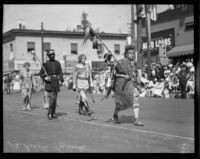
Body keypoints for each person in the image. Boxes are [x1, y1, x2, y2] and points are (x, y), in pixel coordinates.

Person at [112, 44, 143, 126]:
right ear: (126, 54)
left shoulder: (135, 64)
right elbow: (116, 74)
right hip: (123, 86)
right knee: (121, 104)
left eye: (133, 53)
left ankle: (136, 119)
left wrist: (138, 82)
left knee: (136, 101)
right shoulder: (121, 62)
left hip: (133, 85)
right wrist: (122, 75)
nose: (132, 55)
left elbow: (136, 75)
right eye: (130, 53)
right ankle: (115, 114)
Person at [40, 49, 64, 120]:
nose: (52, 55)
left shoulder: (57, 63)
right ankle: (49, 113)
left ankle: (53, 113)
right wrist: (45, 77)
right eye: (51, 55)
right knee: (52, 98)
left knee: (55, 99)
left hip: (56, 82)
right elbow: (41, 73)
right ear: (48, 56)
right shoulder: (45, 64)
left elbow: (60, 72)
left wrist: (60, 79)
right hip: (49, 83)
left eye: (53, 54)